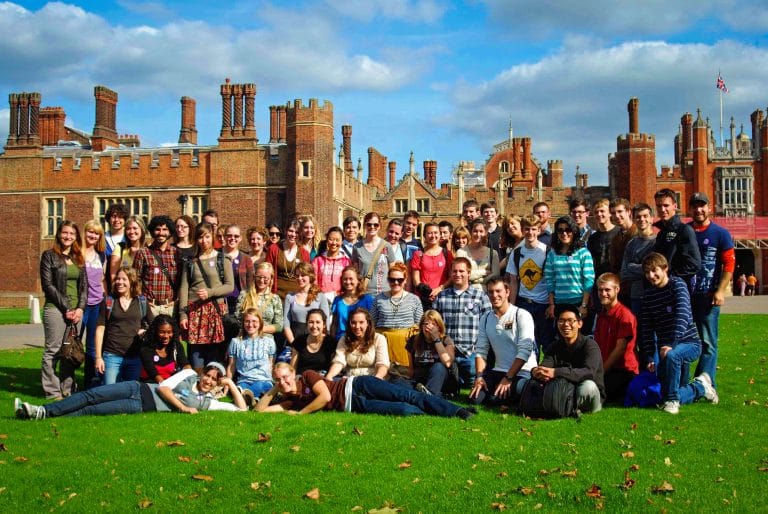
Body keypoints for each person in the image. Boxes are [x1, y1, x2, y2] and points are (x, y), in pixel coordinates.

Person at [15, 362, 247, 419]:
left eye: (214, 380)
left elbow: (242, 410)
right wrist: (184, 408)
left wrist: (230, 384)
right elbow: (165, 388)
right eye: (207, 374)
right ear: (202, 372)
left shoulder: (208, 402)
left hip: (140, 406)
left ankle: (39, 415)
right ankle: (44, 410)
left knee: (92, 411)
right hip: (138, 388)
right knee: (91, 395)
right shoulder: (188, 375)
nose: (207, 380)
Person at [638, 252, 717, 414]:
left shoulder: (678, 285)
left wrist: (671, 344)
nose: (651, 276)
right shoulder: (648, 296)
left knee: (673, 358)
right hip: (665, 347)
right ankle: (701, 386)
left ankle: (673, 402)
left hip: (689, 343)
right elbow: (646, 328)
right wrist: (650, 357)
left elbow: (682, 316)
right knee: (663, 393)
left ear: (665, 268)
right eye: (647, 272)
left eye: (654, 271)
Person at [255, 362, 476, 419]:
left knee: (407, 395)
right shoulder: (289, 401)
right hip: (355, 405)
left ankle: (456, 411)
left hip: (357, 384)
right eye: (278, 380)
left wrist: (301, 414)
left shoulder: (308, 376)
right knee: (404, 410)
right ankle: (439, 413)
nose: (284, 381)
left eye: (285, 377)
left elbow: (325, 397)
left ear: (293, 373)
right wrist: (275, 388)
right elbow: (258, 412)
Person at [688, 192, 734, 391]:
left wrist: (721, 291)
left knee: (708, 342)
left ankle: (706, 382)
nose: (699, 210)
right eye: (695, 206)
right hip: (687, 296)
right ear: (690, 209)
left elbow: (729, 264)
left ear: (709, 208)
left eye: (702, 206)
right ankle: (688, 381)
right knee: (685, 340)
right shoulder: (685, 231)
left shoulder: (720, 233)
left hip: (708, 296)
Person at [470, 278, 537, 407]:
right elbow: (481, 351)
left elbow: (525, 351)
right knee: (475, 398)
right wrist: (479, 377)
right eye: (490, 292)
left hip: (522, 372)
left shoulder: (521, 315)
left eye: (498, 291)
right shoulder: (485, 318)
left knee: (496, 399)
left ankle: (520, 393)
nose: (494, 295)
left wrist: (508, 378)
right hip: (499, 370)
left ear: (507, 292)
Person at [40, 220, 87, 400]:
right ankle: (52, 392)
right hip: (55, 309)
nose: (68, 237)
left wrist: (80, 309)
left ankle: (68, 389)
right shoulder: (49, 256)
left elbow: (84, 287)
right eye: (65, 233)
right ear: (59, 234)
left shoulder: (78, 258)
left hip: (76, 312)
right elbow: (48, 286)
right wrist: (67, 308)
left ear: (76, 237)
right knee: (53, 350)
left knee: (70, 351)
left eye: (72, 234)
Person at [179, 222, 235, 370]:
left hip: (215, 311)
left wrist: (210, 292)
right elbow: (184, 288)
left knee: (214, 357)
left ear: (212, 237)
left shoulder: (222, 259)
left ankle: (212, 388)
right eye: (200, 238)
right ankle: (197, 386)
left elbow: (230, 286)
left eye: (207, 237)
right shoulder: (190, 261)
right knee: (196, 357)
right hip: (194, 311)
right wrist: (183, 314)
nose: (204, 241)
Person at [531, 304, 605, 414]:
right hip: (564, 391)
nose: (566, 324)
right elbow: (545, 366)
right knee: (524, 384)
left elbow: (588, 373)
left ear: (580, 324)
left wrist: (556, 372)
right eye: (561, 321)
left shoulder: (590, 345)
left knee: (587, 387)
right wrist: (537, 371)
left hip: (587, 393)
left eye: (570, 320)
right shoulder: (555, 346)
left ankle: (569, 407)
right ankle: (566, 407)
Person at [432, 257, 492, 387]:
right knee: (443, 375)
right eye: (454, 271)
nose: (457, 274)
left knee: (470, 376)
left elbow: (489, 324)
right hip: (447, 349)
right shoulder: (441, 297)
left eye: (461, 271)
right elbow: (434, 322)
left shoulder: (480, 296)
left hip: (470, 351)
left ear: (469, 273)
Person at [505, 214, 552, 354]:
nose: (530, 233)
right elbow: (513, 281)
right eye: (527, 229)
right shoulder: (517, 252)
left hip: (543, 303)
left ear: (538, 231)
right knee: (527, 342)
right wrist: (512, 307)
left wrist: (551, 304)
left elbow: (551, 280)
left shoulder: (547, 251)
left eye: (533, 229)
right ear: (523, 230)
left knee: (547, 341)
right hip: (524, 302)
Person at [94, 266, 148, 385]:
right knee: (110, 394)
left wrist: (144, 331)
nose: (120, 282)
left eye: (124, 279)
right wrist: (98, 357)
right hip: (112, 356)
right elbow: (100, 329)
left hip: (135, 357)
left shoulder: (141, 301)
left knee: (131, 394)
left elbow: (154, 325)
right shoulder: (109, 301)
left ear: (132, 281)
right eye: (118, 279)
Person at [544, 216, 595, 338]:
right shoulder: (552, 254)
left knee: (579, 340)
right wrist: (551, 305)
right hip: (559, 303)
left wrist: (584, 305)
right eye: (560, 230)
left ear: (574, 231)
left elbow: (588, 281)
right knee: (562, 340)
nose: (564, 233)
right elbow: (549, 281)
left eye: (568, 230)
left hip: (578, 303)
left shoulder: (583, 253)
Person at [592, 273, 638, 404]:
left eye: (607, 290)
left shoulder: (625, 316)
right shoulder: (601, 315)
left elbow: (620, 349)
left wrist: (601, 372)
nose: (603, 293)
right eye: (600, 290)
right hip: (606, 369)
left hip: (623, 370)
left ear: (617, 290)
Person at [370, 262, 423, 372]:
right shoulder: (378, 299)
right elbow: (372, 324)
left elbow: (419, 325)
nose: (396, 282)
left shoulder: (414, 299)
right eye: (392, 279)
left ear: (405, 280)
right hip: (383, 344)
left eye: (400, 280)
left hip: (406, 346)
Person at [133, 215, 179, 321]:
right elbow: (135, 280)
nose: (161, 233)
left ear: (170, 232)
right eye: (157, 229)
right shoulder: (143, 253)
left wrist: (177, 300)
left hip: (170, 307)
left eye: (165, 229)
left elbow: (181, 280)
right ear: (152, 231)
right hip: (149, 306)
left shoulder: (176, 253)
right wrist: (143, 300)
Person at [652, 188, 701, 287]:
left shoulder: (684, 230)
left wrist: (668, 277)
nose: (662, 209)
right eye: (659, 206)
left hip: (677, 288)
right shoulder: (661, 233)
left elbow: (694, 265)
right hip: (661, 289)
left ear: (675, 206)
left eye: (666, 205)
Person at [227, 308, 276, 405]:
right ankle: (254, 399)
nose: (250, 325)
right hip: (244, 380)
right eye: (247, 321)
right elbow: (231, 366)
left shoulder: (269, 342)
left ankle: (246, 398)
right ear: (243, 323)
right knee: (241, 388)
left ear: (260, 323)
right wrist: (227, 386)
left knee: (259, 386)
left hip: (263, 379)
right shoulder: (236, 342)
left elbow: (271, 364)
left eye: (254, 321)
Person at [325, 308, 390, 380]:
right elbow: (339, 362)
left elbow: (383, 365)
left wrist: (376, 379)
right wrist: (329, 375)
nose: (357, 326)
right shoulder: (344, 339)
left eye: (361, 322)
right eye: (353, 322)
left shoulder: (379, 339)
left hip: (372, 379)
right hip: (349, 380)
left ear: (367, 323)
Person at [80, 219, 107, 389]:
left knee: (92, 346)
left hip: (97, 304)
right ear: (84, 232)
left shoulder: (101, 255)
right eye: (90, 231)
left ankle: (89, 382)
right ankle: (65, 383)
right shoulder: (76, 253)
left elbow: (103, 279)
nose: (93, 235)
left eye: (96, 233)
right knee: (71, 344)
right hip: (80, 306)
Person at [405, 310, 455, 396]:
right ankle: (426, 394)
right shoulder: (413, 340)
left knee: (439, 366)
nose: (429, 327)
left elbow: (448, 363)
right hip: (420, 380)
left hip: (439, 379)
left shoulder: (446, 340)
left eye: (433, 324)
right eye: (426, 324)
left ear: (439, 327)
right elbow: (411, 368)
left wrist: (436, 339)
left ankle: (429, 396)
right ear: (421, 326)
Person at [620, 203, 657, 317]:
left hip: (654, 295)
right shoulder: (632, 243)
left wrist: (633, 266)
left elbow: (656, 270)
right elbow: (624, 272)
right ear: (634, 219)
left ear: (651, 218)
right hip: (636, 296)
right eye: (638, 217)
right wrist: (644, 270)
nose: (642, 219)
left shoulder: (657, 241)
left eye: (645, 216)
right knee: (639, 333)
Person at [282, 262, 330, 348]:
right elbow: (286, 324)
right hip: (294, 339)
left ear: (310, 276)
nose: (299, 278)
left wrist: (318, 344)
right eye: (297, 275)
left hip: (315, 340)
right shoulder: (290, 297)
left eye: (303, 275)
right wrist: (294, 345)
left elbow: (325, 323)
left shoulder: (320, 297)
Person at [353, 212, 397, 295]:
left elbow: (393, 272)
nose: (372, 227)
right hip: (364, 294)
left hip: (384, 294)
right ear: (365, 226)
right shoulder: (357, 247)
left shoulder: (387, 246)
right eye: (369, 224)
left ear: (379, 226)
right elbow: (356, 273)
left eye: (375, 225)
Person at [410, 222, 452, 311]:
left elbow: (451, 277)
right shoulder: (418, 254)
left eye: (436, 232)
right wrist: (426, 292)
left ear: (440, 235)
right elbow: (415, 280)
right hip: (423, 299)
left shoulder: (447, 254)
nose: (433, 236)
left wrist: (440, 288)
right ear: (424, 235)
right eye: (429, 233)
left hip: (442, 297)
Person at [139, 314, 191, 383]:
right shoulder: (146, 347)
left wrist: (189, 374)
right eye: (162, 332)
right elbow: (153, 372)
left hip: (170, 383)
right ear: (155, 332)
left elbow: (185, 364)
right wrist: (166, 388)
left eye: (169, 332)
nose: (166, 336)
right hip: (150, 383)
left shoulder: (176, 345)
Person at [267, 219, 310, 299]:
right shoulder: (274, 249)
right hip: (276, 296)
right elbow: (267, 273)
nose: (293, 234)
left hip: (297, 297)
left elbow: (307, 277)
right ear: (285, 231)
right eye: (291, 231)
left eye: (297, 232)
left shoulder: (304, 253)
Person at [329, 266, 374, 342]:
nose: (348, 282)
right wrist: (331, 342)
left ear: (358, 280)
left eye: (351, 279)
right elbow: (334, 324)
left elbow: (372, 323)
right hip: (340, 340)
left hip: (361, 340)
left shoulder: (367, 299)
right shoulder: (338, 300)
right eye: (345, 279)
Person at [290, 309, 336, 374]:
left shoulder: (330, 342)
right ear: (307, 324)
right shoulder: (299, 341)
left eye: (318, 322)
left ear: (324, 324)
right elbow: (292, 368)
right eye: (311, 322)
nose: (314, 326)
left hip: (322, 380)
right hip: (301, 379)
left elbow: (332, 367)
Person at [312, 226, 350, 304]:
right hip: (320, 301)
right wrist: (319, 296)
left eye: (337, 240)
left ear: (342, 241)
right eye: (331, 239)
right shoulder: (318, 260)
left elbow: (348, 282)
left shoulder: (346, 262)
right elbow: (313, 281)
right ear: (327, 240)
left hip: (341, 301)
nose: (334, 243)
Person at [222, 224, 254, 314]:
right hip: (220, 302)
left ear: (240, 238)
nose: (233, 238)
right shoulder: (216, 256)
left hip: (239, 303)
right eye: (229, 235)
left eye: (236, 236)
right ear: (224, 237)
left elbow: (250, 285)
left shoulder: (246, 259)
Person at [110, 215, 147, 285]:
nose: (131, 231)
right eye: (128, 229)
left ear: (142, 229)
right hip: (123, 292)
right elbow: (113, 275)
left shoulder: (149, 249)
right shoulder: (120, 248)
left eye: (135, 228)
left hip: (143, 293)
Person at [465, 219, 500, 290]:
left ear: (486, 233)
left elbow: (496, 274)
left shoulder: (493, 253)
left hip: (487, 294)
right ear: (470, 232)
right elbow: (462, 275)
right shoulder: (461, 252)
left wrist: (474, 279)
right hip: (467, 293)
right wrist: (483, 272)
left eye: (481, 231)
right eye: (475, 231)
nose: (478, 234)